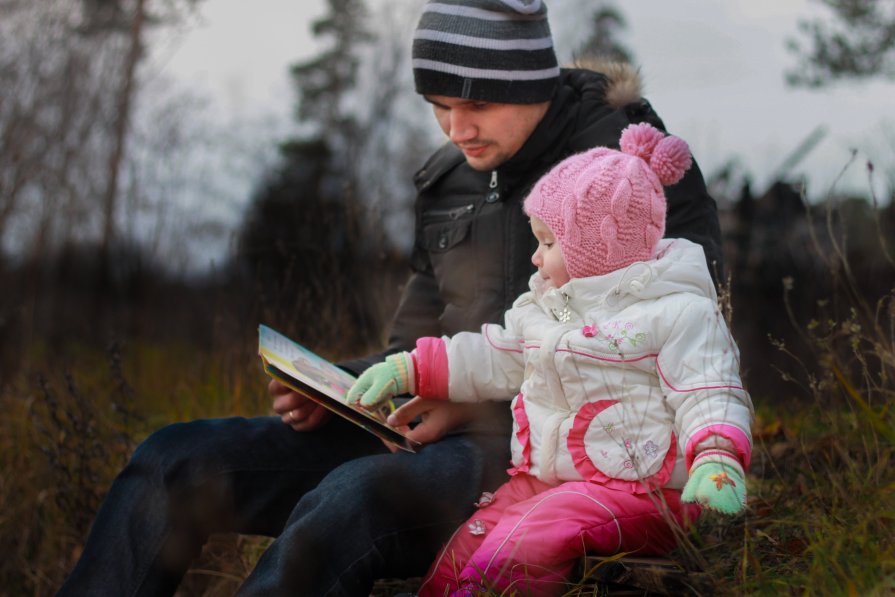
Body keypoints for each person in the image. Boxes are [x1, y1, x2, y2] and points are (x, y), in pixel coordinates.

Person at [57, 1, 724, 595]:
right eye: (438, 107)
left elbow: (679, 328)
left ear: (530, 86)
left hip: (546, 453)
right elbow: (414, 333)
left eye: (475, 106)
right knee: (175, 456)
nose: (455, 129)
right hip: (424, 425)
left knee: (352, 497)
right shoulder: (450, 181)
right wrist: (342, 385)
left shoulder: (630, 164)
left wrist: (472, 398)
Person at [347, 122, 754, 596]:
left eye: (547, 242)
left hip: (643, 494)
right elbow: (494, 354)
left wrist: (716, 456)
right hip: (545, 481)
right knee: (474, 538)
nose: (536, 259)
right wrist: (409, 368)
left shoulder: (677, 312)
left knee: (536, 534)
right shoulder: (548, 308)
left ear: (598, 248)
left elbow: (709, 389)